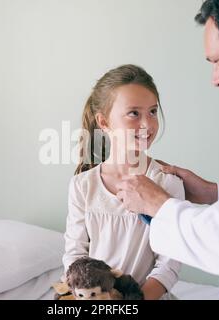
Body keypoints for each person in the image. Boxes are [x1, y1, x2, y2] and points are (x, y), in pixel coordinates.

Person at [116, 0, 219, 299]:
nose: (215, 79)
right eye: (133, 113)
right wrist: (214, 193)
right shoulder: (84, 185)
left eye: (217, 61)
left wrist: (159, 205)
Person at [62, 65, 185, 300]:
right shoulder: (82, 186)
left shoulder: (167, 182)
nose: (147, 124)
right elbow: (75, 255)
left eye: (152, 111)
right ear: (104, 122)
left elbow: (169, 264)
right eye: (134, 113)